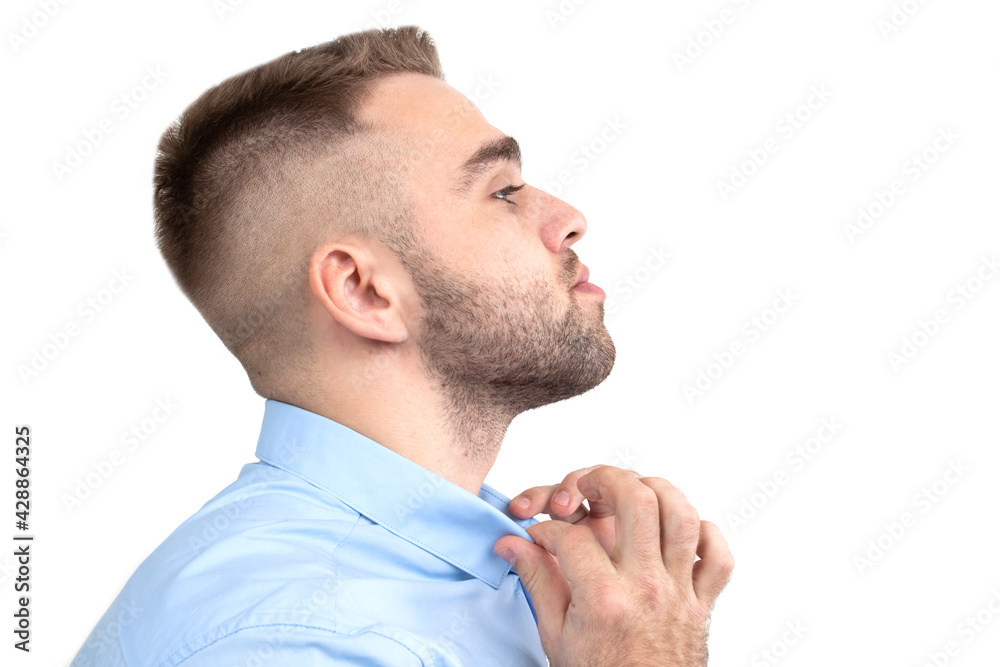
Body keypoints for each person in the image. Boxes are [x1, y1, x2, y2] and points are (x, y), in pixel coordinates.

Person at [71, 26, 734, 666]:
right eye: (503, 191)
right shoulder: (310, 638)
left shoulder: (529, 583)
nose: (568, 220)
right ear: (364, 291)